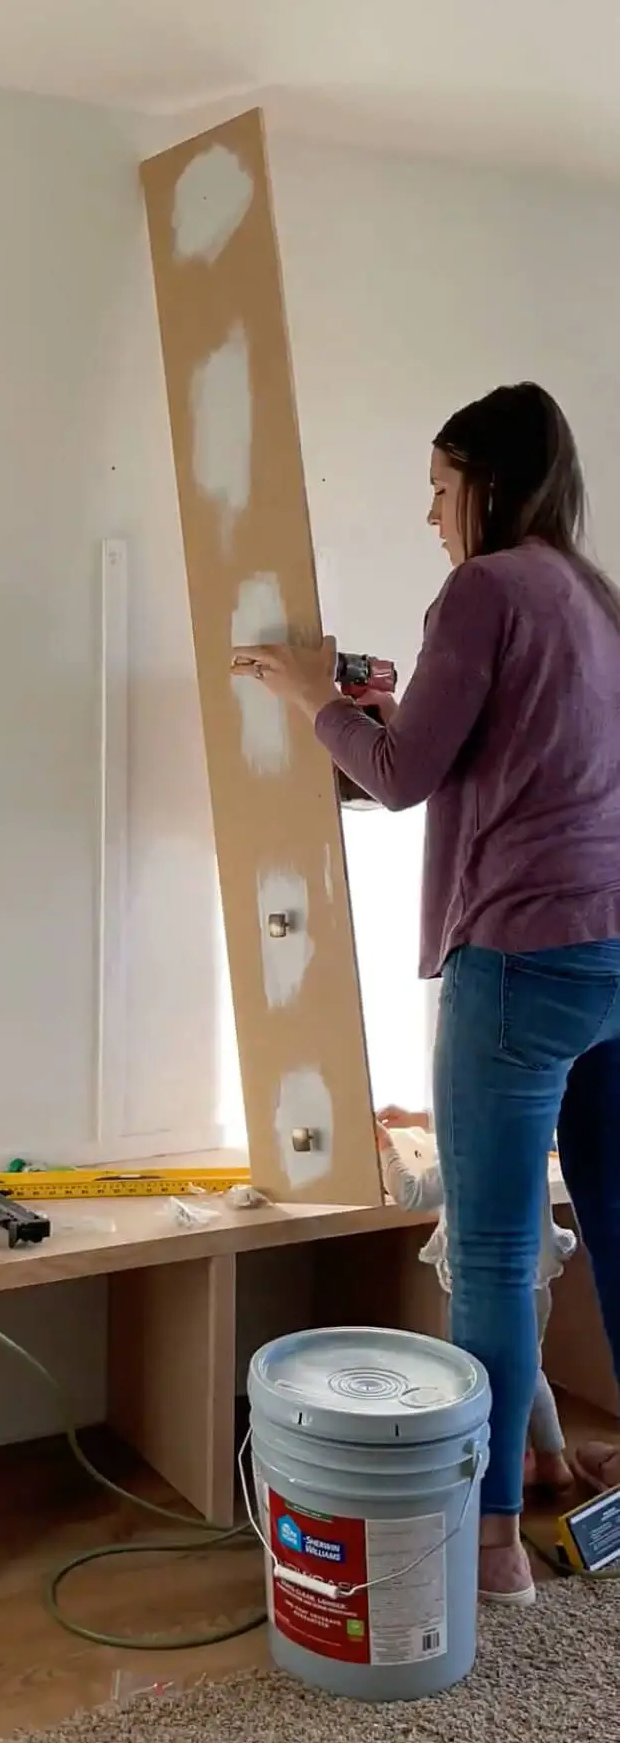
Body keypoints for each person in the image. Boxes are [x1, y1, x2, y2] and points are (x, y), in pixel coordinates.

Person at [231, 381, 620, 1604]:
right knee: (611, 1223)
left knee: (498, 1255)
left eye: (441, 486)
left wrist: (311, 699)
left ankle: (493, 1544)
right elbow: (501, 754)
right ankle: (551, 1467)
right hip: (614, 950)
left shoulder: (484, 589)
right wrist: (383, 709)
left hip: (516, 961)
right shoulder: (594, 598)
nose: (430, 512)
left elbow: (399, 778)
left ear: (486, 485)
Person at [374, 1104, 576, 1498]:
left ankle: (514, 1473)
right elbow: (481, 1111)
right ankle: (551, 1461)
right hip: (534, 1277)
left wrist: (385, 1147)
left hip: (489, 1285)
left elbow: (411, 1193)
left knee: (496, 1376)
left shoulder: (465, 1150)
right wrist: (421, 1120)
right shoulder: (523, 1125)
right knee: (528, 1366)